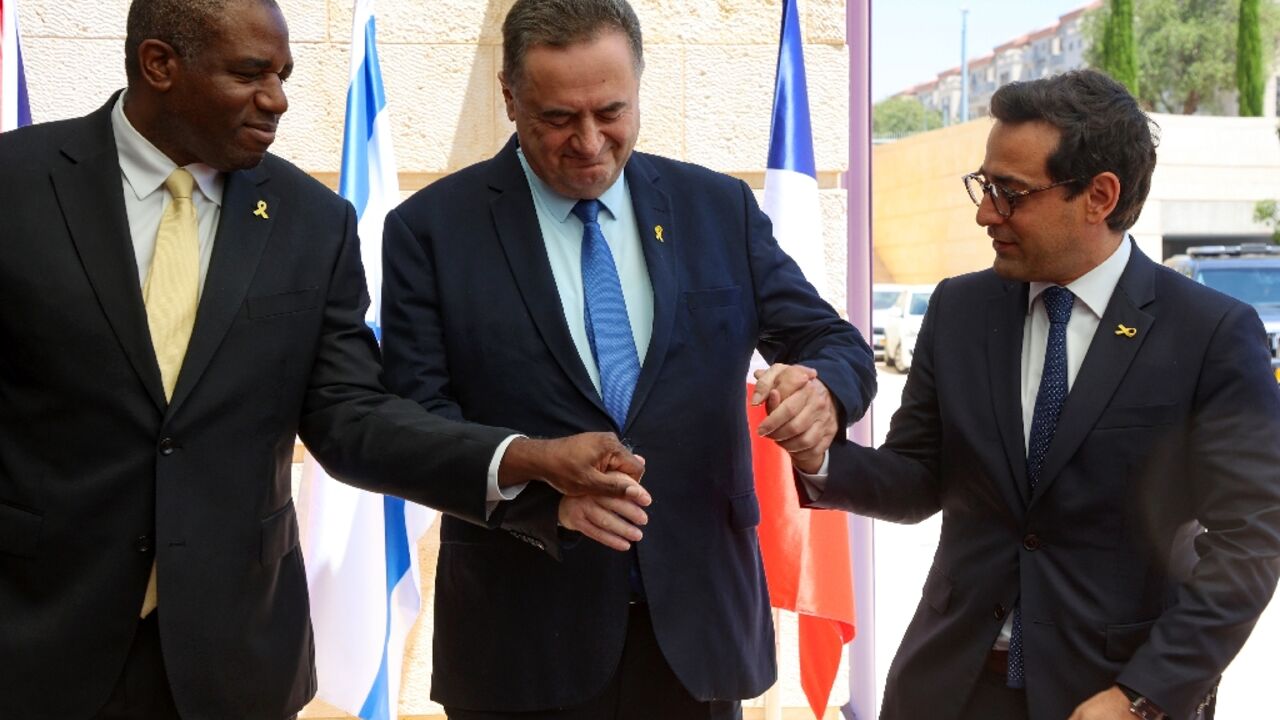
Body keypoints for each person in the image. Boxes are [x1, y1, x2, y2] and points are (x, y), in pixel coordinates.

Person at [0, 1, 650, 719]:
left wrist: (525, 458)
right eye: (250, 74)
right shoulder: (15, 187)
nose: (277, 99)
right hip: (34, 644)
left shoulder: (312, 222)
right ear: (160, 65)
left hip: (236, 661)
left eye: (282, 74)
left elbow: (352, 420)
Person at [378, 0, 876, 717]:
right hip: (521, 642)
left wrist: (824, 392)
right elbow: (414, 428)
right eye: (557, 118)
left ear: (637, 86)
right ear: (509, 97)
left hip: (697, 636)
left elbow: (835, 345)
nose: (589, 142)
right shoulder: (432, 230)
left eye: (611, 111)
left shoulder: (717, 209)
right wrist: (547, 496)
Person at [799, 69, 1280, 720]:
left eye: (1010, 192)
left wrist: (1143, 695)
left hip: (1109, 697)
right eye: (984, 185)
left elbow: (1250, 539)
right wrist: (817, 456)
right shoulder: (959, 309)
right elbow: (918, 477)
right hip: (950, 689)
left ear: (1099, 196)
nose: (984, 212)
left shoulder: (1210, 335)